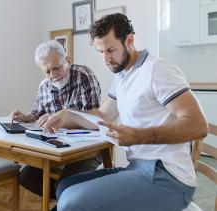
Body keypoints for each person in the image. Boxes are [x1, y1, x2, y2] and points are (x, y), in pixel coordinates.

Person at [43, 13, 208, 211]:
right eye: (101, 51)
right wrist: (68, 114)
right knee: (64, 186)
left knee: (70, 202)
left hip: (168, 177)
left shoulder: (157, 70)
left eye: (111, 50)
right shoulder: (122, 76)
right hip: (138, 168)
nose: (106, 59)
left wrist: (139, 136)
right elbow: (103, 116)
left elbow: (198, 125)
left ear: (129, 40)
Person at [9, 40, 102, 199]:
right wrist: (25, 117)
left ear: (68, 60)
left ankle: (68, 198)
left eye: (57, 68)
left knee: (65, 185)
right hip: (56, 148)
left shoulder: (84, 76)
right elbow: (37, 113)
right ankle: (69, 201)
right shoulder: (44, 85)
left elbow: (94, 120)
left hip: (88, 148)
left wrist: (61, 118)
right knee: (26, 177)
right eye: (47, 71)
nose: (52, 75)